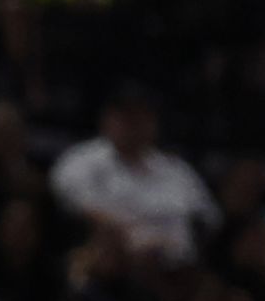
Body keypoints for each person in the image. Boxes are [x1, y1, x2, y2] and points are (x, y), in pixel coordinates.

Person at [47, 87, 214, 266]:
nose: (133, 125)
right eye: (126, 117)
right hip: (118, 264)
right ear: (106, 119)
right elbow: (77, 205)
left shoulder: (176, 169)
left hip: (180, 267)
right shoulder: (81, 160)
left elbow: (207, 216)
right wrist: (140, 236)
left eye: (141, 117)